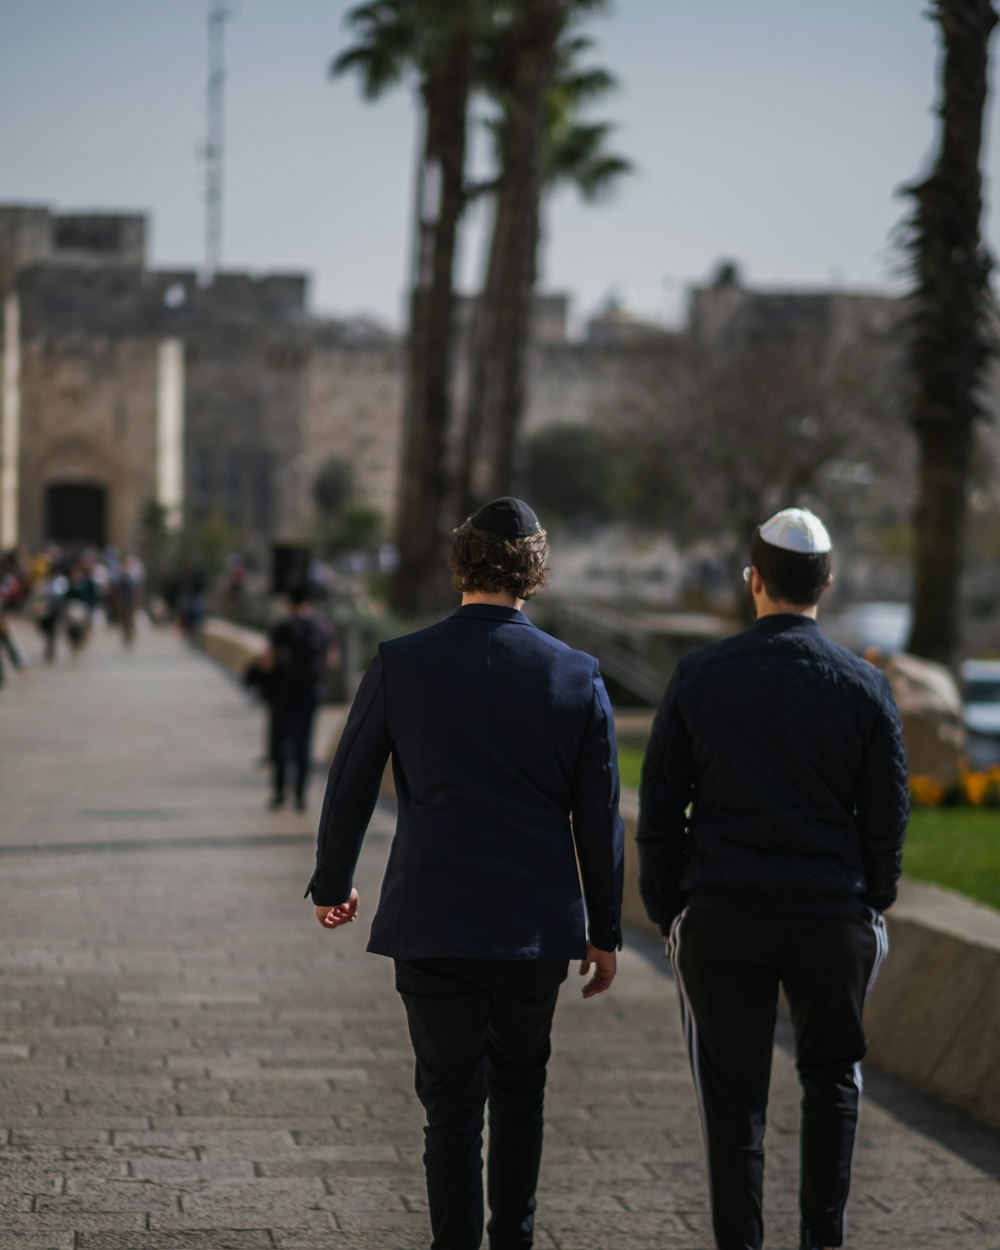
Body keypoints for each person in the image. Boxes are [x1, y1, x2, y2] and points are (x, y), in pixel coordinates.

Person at [306, 497, 624, 1250]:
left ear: (460, 562)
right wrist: (604, 932)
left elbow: (349, 781)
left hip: (433, 919)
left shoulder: (401, 663)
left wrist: (332, 884)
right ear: (535, 571)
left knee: (449, 1104)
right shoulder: (577, 676)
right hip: (536, 928)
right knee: (521, 1094)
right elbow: (601, 817)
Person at [637, 507, 908, 1250]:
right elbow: (888, 816)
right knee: (833, 1084)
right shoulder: (864, 685)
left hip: (723, 915)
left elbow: (660, 806)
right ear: (828, 581)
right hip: (830, 916)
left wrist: (669, 907)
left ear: (753, 581)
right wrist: (872, 898)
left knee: (731, 1106)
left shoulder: (699, 675)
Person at [262, 584, 331, 811]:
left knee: (283, 740)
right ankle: (301, 795)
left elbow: (269, 662)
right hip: (310, 692)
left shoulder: (281, 627)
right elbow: (332, 660)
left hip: (284, 691)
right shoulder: (321, 627)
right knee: (304, 742)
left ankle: (280, 792)